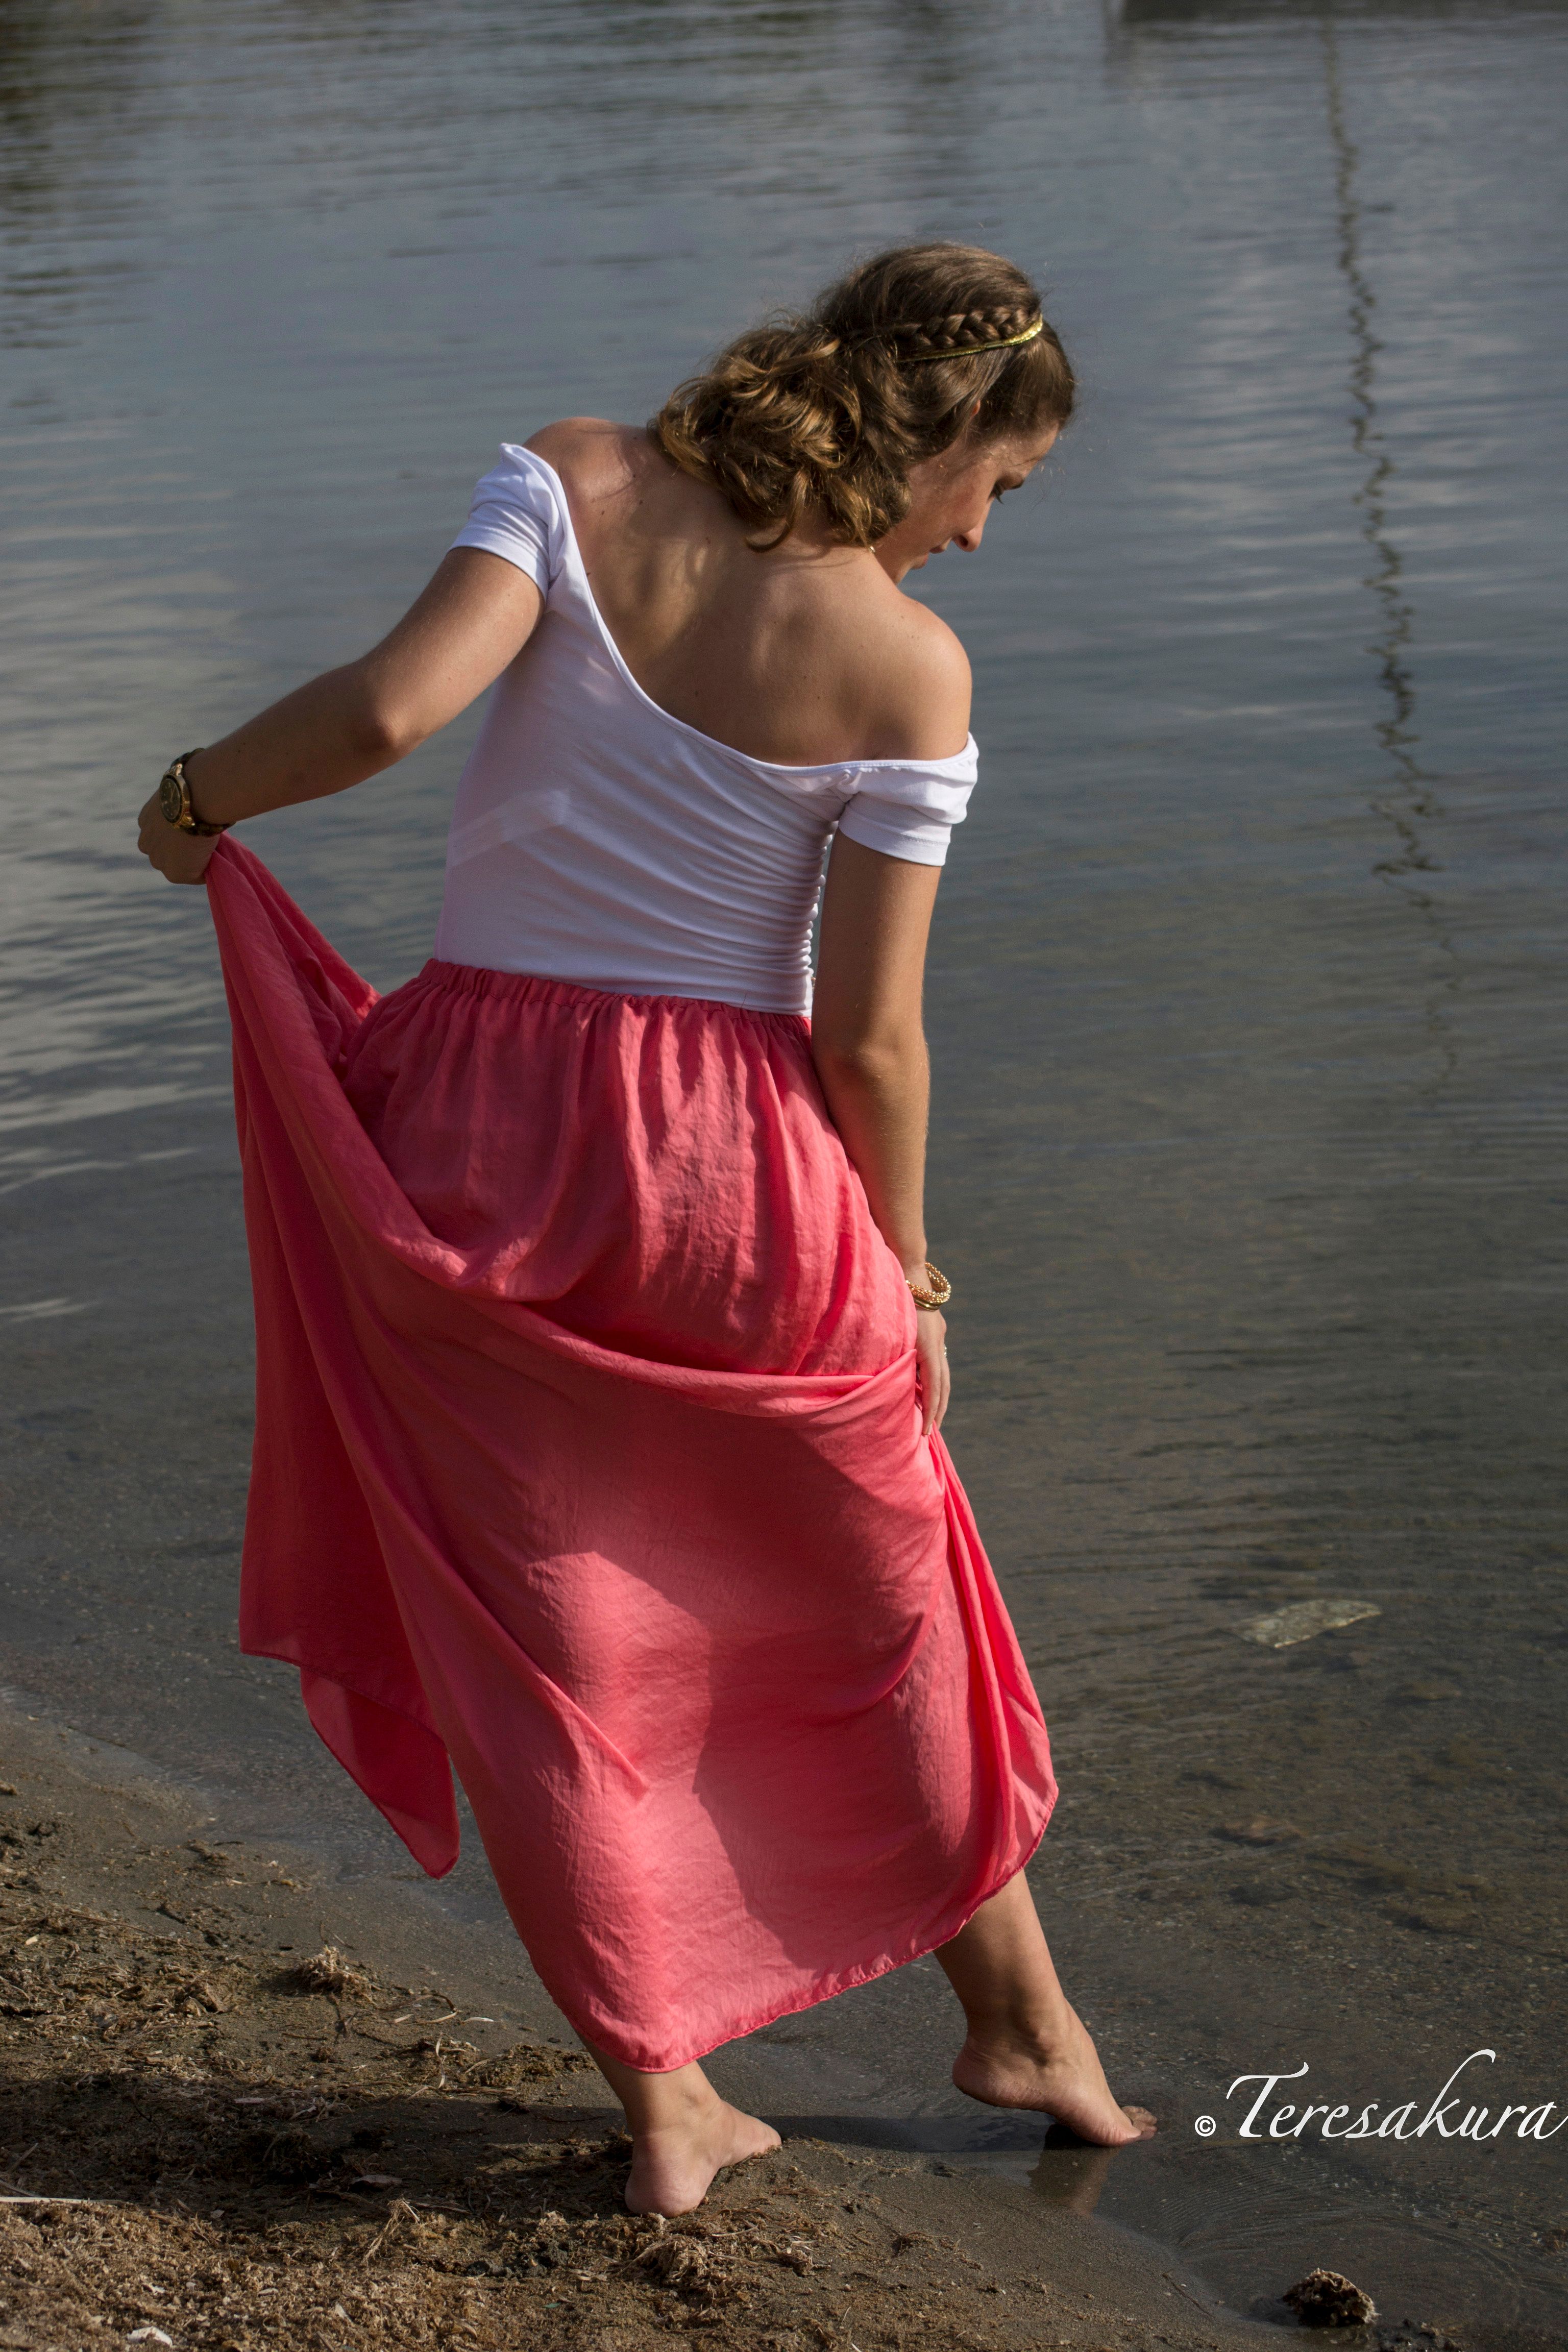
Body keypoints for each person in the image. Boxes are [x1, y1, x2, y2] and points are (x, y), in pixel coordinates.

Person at [137, 242, 1156, 2215]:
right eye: (1001, 489)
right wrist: (913, 1268)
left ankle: (670, 2098)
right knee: (889, 1602)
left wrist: (191, 804)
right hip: (733, 1172)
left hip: (476, 1133)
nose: (980, 535)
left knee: (546, 1634)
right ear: (945, 431)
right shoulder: (911, 665)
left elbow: (382, 714)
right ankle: (1023, 2023)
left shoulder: (576, 476)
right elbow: (869, 1037)